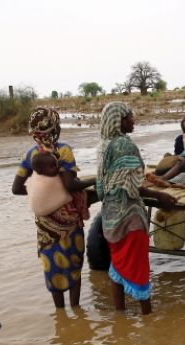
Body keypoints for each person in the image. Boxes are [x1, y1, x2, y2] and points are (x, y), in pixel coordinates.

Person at [95, 102, 176, 315]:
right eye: (129, 117)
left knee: (118, 266)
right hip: (129, 216)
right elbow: (133, 188)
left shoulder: (103, 144)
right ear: (118, 120)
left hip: (110, 217)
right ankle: (147, 317)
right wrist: (160, 195)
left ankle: (120, 316)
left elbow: (100, 188)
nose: (133, 120)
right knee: (138, 268)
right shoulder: (124, 145)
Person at [11, 108, 93, 309]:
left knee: (52, 267)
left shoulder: (30, 154)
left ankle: (60, 314)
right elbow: (70, 185)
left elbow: (16, 188)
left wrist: (41, 193)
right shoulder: (63, 150)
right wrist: (94, 181)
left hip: (45, 225)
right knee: (74, 266)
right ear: (55, 129)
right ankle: (76, 309)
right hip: (69, 222)